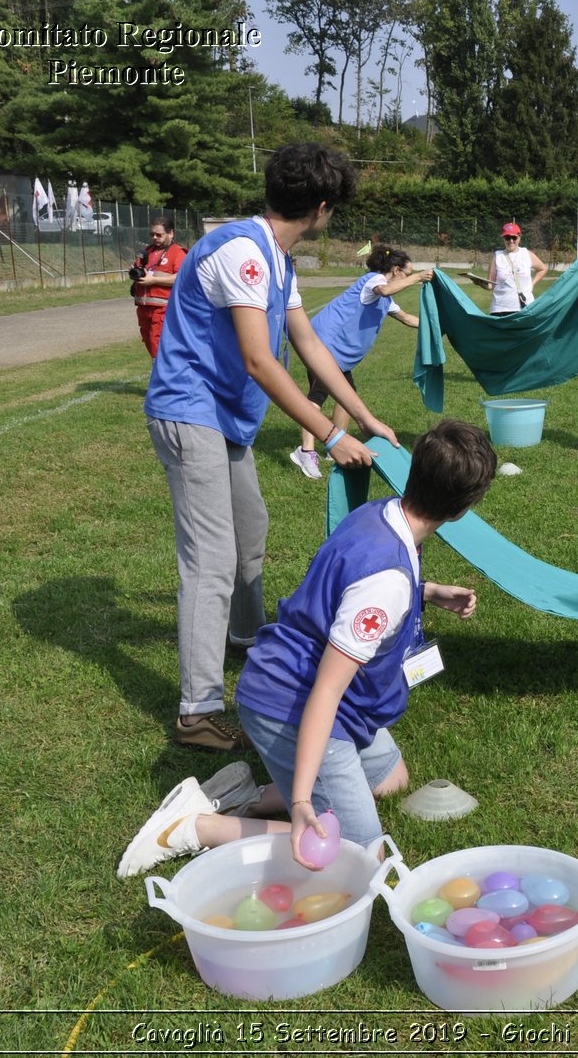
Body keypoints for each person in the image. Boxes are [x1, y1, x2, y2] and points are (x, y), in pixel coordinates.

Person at [116, 420, 496, 877]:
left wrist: (428, 591)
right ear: (462, 509)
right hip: (290, 702)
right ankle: (195, 827)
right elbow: (325, 693)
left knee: (391, 780)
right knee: (355, 858)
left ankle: (249, 794)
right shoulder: (386, 583)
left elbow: (352, 589)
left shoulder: (382, 514)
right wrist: (298, 803)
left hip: (316, 691)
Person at [144, 142, 400, 753]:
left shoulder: (276, 260)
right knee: (210, 556)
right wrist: (331, 435)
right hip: (190, 411)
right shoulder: (243, 253)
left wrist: (363, 415)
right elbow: (261, 360)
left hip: (225, 419)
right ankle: (197, 711)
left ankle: (244, 635)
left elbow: (308, 342)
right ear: (320, 207)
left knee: (249, 530)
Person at [288, 245, 434, 480]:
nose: (409, 278)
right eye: (407, 274)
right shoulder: (373, 281)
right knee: (317, 397)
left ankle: (334, 445)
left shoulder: (386, 300)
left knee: (347, 397)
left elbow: (407, 318)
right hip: (324, 347)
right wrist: (418, 278)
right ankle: (305, 451)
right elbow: (384, 290)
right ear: (396, 270)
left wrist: (436, 327)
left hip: (336, 355)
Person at [129, 217, 187, 359]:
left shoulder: (178, 252)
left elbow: (180, 278)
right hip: (143, 306)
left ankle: (161, 377)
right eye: (152, 234)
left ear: (171, 233)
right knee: (149, 341)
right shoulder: (146, 251)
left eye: (159, 235)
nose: (155, 237)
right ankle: (161, 373)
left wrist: (154, 280)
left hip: (162, 308)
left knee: (157, 342)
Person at [487, 221, 547, 315]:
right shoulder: (497, 256)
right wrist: (479, 283)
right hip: (500, 309)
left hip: (525, 308)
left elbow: (542, 269)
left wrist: (532, 284)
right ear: (503, 239)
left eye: (514, 237)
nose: (511, 241)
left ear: (519, 238)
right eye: (507, 238)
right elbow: (490, 285)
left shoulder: (526, 254)